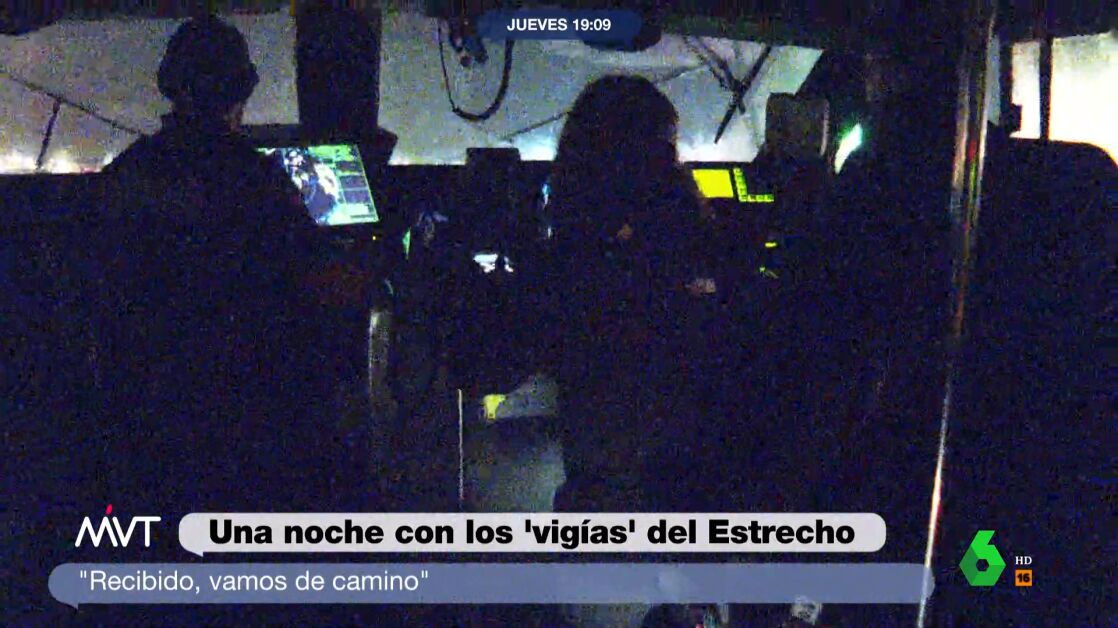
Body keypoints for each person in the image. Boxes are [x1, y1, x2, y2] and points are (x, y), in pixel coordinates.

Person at [95, 15, 372, 520]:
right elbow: (319, 283)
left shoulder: (127, 176)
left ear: (170, 86)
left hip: (143, 419)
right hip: (247, 420)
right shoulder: (259, 181)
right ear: (242, 91)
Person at [540, 75, 715, 514]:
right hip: (680, 487)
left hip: (605, 489)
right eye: (667, 150)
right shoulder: (681, 242)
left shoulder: (576, 260)